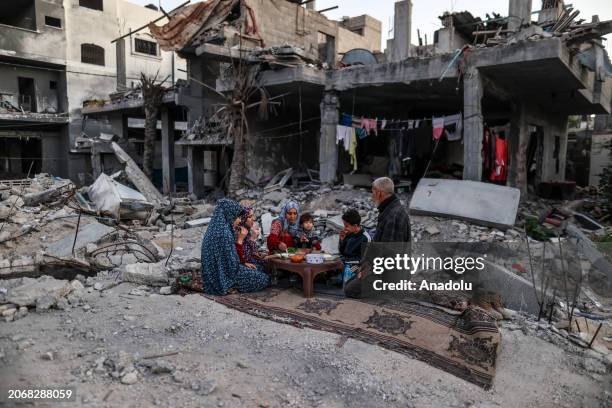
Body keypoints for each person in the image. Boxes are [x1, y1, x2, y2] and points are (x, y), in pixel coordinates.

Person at [344, 177, 411, 298]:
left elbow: (389, 255)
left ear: (379, 193)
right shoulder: (389, 209)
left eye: (372, 192)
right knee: (350, 280)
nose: (372, 195)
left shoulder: (393, 215)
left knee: (349, 289)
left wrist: (368, 270)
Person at [201, 199, 269, 295]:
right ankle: (230, 286)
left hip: (216, 272)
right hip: (223, 275)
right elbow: (233, 267)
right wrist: (243, 263)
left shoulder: (216, 227)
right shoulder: (225, 234)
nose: (239, 220)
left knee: (258, 269)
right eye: (237, 217)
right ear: (229, 214)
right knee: (263, 279)